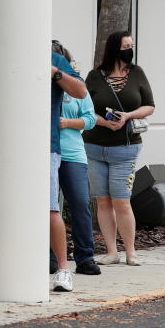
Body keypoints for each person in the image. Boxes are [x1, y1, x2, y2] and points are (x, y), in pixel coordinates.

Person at [84, 30, 155, 265]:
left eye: (131, 45)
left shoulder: (137, 73)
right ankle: (112, 251)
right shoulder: (95, 76)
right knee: (102, 200)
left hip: (125, 148)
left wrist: (127, 116)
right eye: (126, 46)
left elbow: (149, 106)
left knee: (122, 200)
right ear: (114, 48)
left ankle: (131, 251)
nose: (129, 49)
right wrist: (103, 121)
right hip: (95, 146)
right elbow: (84, 107)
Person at [54, 41, 99, 276]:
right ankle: (51, 257)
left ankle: (85, 257)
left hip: (72, 154)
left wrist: (68, 123)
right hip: (47, 152)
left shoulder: (76, 85)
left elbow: (90, 118)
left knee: (80, 204)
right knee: (51, 208)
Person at [49, 42, 88, 292]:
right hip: (11, 148)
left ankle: (64, 269)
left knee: (49, 208)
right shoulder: (7, 55)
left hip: (47, 146)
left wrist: (55, 72)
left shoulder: (55, 60)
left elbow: (81, 91)